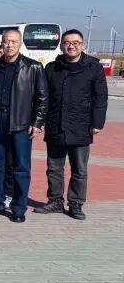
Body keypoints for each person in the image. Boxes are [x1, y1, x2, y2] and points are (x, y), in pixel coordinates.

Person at [0, 29, 48, 223]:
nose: (9, 45)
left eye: (14, 42)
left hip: (20, 122)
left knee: (21, 166)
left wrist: (38, 122)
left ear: (20, 43)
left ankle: (18, 207)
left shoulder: (33, 67)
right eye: (6, 42)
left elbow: (42, 98)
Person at [35, 30, 108, 220]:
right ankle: (55, 201)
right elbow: (44, 98)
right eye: (67, 42)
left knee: (80, 169)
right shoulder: (52, 68)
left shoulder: (93, 67)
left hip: (82, 126)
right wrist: (39, 121)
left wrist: (97, 123)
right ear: (61, 46)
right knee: (54, 168)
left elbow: (100, 98)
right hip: (56, 125)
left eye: (76, 42)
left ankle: (76, 204)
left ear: (82, 45)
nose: (71, 46)